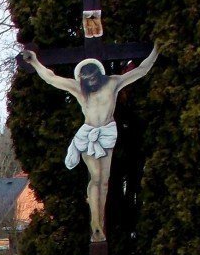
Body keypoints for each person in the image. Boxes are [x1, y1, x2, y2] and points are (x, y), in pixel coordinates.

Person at [21, 44, 159, 241]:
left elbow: (142, 70)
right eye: (87, 80)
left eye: (93, 78)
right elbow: (51, 78)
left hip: (108, 133)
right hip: (88, 135)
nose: (91, 83)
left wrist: (156, 50)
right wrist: (34, 61)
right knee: (95, 178)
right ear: (82, 79)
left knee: (104, 182)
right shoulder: (79, 88)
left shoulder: (112, 83)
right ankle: (95, 223)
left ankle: (99, 222)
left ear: (98, 74)